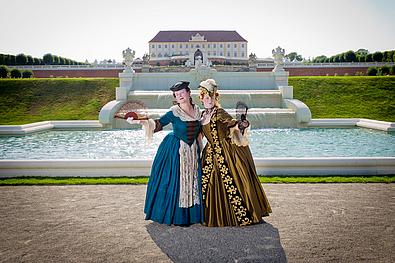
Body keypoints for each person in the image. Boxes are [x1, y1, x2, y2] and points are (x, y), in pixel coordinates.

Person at [127, 81, 204, 226]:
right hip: (175, 150)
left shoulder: (198, 111)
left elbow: (200, 132)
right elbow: (157, 124)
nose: (180, 96)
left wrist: (201, 149)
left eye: (182, 93)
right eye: (177, 94)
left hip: (193, 151)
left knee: (193, 180)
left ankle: (193, 215)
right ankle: (178, 216)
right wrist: (138, 122)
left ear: (188, 93)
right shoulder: (174, 112)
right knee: (174, 180)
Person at [198, 79, 272, 227]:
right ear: (201, 99)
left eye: (211, 97)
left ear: (215, 98)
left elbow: (232, 123)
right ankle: (215, 216)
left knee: (233, 182)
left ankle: (243, 215)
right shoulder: (201, 115)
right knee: (210, 183)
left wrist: (242, 124)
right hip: (210, 153)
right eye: (206, 98)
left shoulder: (219, 112)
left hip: (226, 152)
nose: (209, 100)